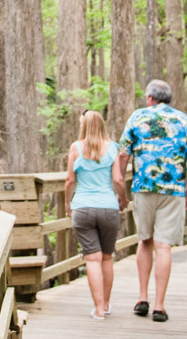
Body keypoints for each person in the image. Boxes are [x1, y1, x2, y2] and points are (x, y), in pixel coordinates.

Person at [116, 80, 187, 323]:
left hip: (143, 187)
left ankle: (142, 298)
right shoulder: (185, 120)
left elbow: (123, 154)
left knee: (144, 241)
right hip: (173, 189)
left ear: (150, 98)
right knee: (163, 246)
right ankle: (159, 306)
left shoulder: (137, 117)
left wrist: (120, 186)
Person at [63, 110, 124, 320]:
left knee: (92, 259)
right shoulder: (113, 148)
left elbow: (70, 180)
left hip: (82, 207)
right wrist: (123, 199)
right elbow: (118, 180)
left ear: (84, 126)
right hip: (108, 207)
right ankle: (106, 304)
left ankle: (98, 309)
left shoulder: (76, 148)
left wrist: (66, 202)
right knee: (106, 257)